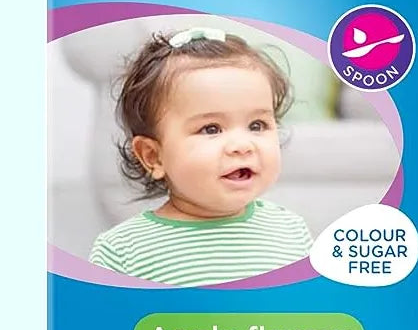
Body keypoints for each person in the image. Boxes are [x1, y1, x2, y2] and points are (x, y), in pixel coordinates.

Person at [89, 27, 313, 285]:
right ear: (154, 157)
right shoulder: (122, 252)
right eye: (211, 129)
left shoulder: (291, 231)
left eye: (257, 125)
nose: (242, 145)